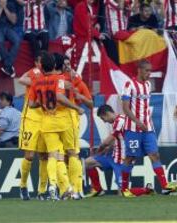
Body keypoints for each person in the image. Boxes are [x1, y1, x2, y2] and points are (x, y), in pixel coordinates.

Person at [28, 53, 85, 200]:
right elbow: (60, 97)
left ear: (41, 67)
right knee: (72, 153)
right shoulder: (59, 79)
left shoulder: (36, 82)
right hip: (64, 121)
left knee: (53, 155)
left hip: (47, 121)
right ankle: (76, 189)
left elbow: (32, 104)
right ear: (54, 65)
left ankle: (53, 185)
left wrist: (43, 101)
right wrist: (76, 108)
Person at [121, 59, 177, 197]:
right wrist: (137, 121)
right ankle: (124, 189)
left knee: (154, 154)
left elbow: (144, 106)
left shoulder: (147, 85)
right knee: (130, 157)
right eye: (147, 70)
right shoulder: (129, 85)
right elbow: (125, 107)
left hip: (147, 128)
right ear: (139, 70)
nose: (149, 73)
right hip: (133, 129)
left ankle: (165, 186)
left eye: (150, 71)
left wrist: (145, 122)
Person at [86, 104, 154, 197]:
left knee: (123, 193)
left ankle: (147, 190)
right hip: (113, 157)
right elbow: (117, 140)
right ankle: (98, 189)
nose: (105, 121)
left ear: (106, 114)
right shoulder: (117, 121)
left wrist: (99, 150)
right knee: (88, 162)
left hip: (122, 161)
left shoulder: (120, 120)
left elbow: (107, 141)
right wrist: (106, 149)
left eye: (103, 119)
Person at [62, 54, 93, 199]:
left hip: (72, 120)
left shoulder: (78, 82)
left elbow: (91, 104)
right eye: (64, 64)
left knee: (72, 154)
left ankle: (77, 188)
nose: (67, 66)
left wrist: (79, 96)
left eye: (69, 63)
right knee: (60, 156)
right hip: (56, 120)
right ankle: (66, 188)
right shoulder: (58, 81)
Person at [17, 54, 46, 200]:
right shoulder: (35, 72)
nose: (42, 65)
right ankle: (23, 186)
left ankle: (42, 191)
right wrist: (35, 81)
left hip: (45, 119)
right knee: (29, 155)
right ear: (36, 63)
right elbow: (21, 79)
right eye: (40, 62)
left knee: (44, 155)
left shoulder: (51, 74)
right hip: (30, 119)